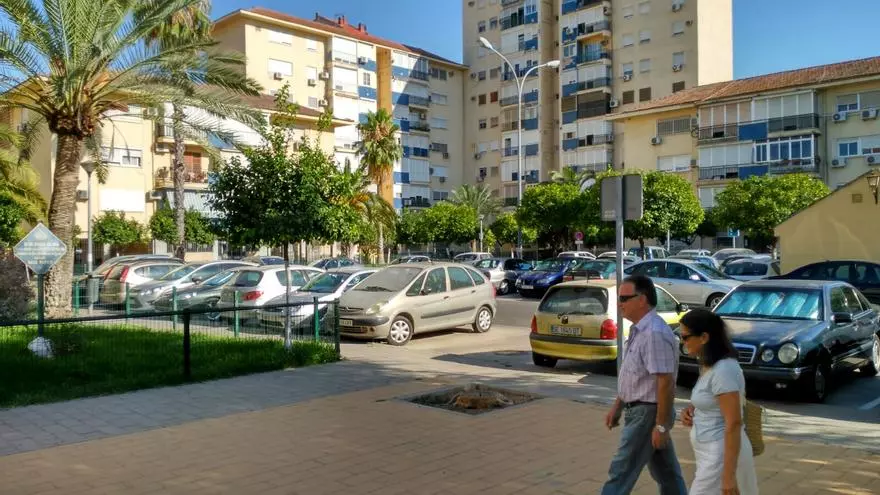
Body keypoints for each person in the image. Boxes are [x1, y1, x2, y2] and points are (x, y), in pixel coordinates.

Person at [601, 275, 687, 495]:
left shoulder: (654, 333)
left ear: (642, 299)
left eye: (624, 298)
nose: (619, 303)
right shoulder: (640, 330)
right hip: (641, 412)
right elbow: (635, 376)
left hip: (647, 414)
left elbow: (665, 382)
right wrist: (618, 406)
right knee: (667, 474)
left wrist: (661, 426)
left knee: (620, 472)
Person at [679, 308, 759, 495]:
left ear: (704, 337)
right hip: (709, 454)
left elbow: (734, 422)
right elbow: (711, 400)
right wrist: (691, 410)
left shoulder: (724, 370)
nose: (682, 342)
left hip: (720, 456)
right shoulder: (708, 364)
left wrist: (728, 476)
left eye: (685, 337)